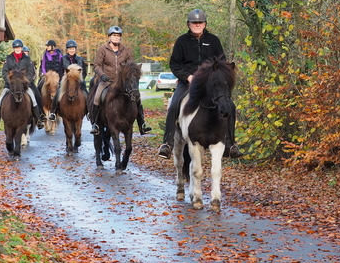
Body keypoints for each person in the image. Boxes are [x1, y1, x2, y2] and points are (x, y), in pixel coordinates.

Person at [157, 9, 242, 159]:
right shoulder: (182, 41)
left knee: (230, 106)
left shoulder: (214, 40)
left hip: (210, 84)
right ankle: (167, 144)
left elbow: (221, 62)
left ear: (205, 24)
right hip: (188, 82)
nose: (197, 25)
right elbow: (175, 64)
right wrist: (187, 76)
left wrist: (215, 76)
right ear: (189, 24)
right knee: (174, 104)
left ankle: (230, 144)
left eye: (200, 22)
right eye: (194, 23)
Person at [88, 26, 151, 136]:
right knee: (98, 97)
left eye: (118, 36)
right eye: (114, 35)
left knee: (137, 98)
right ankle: (95, 124)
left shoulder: (125, 50)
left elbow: (131, 65)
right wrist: (102, 75)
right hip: (107, 80)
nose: (116, 38)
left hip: (122, 83)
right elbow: (97, 65)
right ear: (109, 37)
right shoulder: (103, 49)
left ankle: (142, 124)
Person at [0, 39, 46, 130]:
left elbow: (30, 72)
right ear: (14, 48)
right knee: (0, 100)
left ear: (21, 48)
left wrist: (25, 81)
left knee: (33, 99)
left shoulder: (27, 59)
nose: (17, 49)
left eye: (19, 47)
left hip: (23, 85)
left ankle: (38, 120)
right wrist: (9, 81)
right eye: (16, 48)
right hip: (10, 85)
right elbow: (4, 71)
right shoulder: (9, 59)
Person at [48, 39, 88, 121]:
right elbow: (60, 71)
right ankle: (53, 112)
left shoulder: (80, 59)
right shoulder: (63, 59)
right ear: (67, 50)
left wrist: (80, 80)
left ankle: (89, 112)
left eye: (73, 48)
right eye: (70, 49)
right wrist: (64, 81)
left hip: (78, 82)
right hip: (66, 82)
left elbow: (84, 72)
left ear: (75, 49)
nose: (71, 50)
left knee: (87, 94)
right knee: (57, 94)